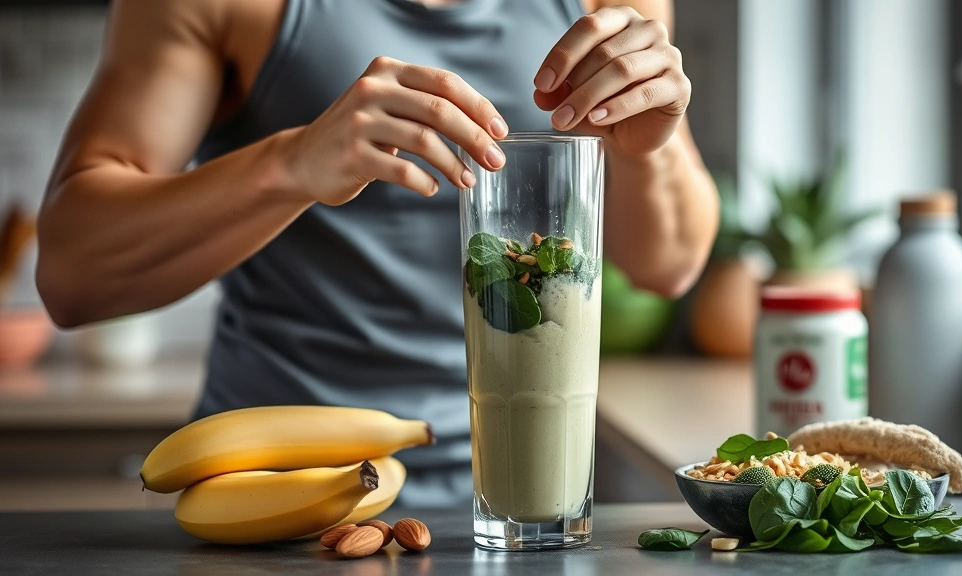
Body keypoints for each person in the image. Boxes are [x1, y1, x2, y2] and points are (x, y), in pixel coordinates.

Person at [36, 0, 718, 505]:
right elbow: (71, 272)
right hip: (274, 490)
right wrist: (292, 163)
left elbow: (670, 263)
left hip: (524, 491)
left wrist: (647, 152)